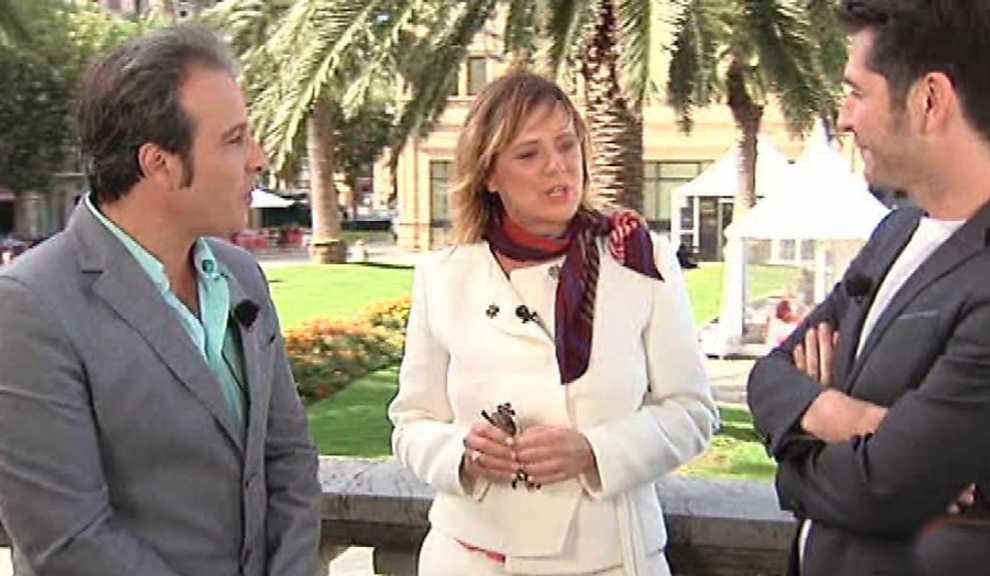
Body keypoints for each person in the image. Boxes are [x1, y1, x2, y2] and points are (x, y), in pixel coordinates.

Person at [0, 25, 321, 575]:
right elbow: (70, 540)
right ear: (160, 164)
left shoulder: (242, 276)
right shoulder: (30, 306)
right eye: (234, 139)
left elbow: (288, 458)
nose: (259, 158)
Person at [388, 71, 717, 576]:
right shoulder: (444, 276)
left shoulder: (639, 262)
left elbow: (693, 413)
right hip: (470, 558)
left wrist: (595, 451)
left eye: (566, 144)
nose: (557, 165)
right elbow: (411, 423)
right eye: (528, 154)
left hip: (608, 560)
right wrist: (462, 453)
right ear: (489, 175)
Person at [746, 2, 990, 575]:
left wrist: (791, 467)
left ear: (930, 100)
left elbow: (883, 489)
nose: (844, 118)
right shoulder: (896, 231)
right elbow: (768, 376)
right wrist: (838, 415)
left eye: (857, 92)